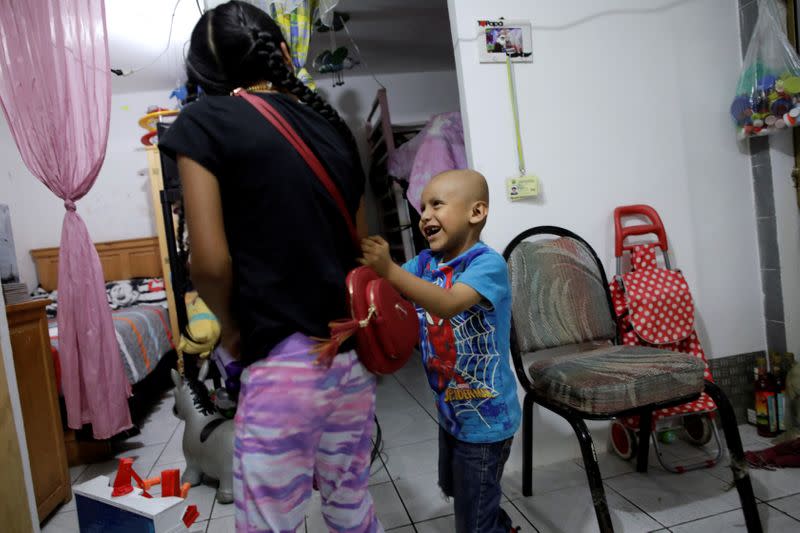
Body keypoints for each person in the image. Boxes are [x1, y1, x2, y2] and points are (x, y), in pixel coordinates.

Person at [158, 2, 381, 532]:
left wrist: (231, 331)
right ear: (282, 54)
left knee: (269, 521)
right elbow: (363, 244)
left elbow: (208, 262)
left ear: (204, 77)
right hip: (351, 358)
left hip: (283, 365)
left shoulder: (204, 121)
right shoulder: (332, 128)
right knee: (350, 501)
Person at [360, 169, 522, 533]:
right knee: (456, 489)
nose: (425, 216)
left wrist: (389, 269)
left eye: (437, 205)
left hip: (486, 420)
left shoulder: (486, 264)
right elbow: (388, 287)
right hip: (452, 412)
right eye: (421, 208)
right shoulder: (425, 264)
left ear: (476, 213)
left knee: (472, 519)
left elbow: (448, 303)